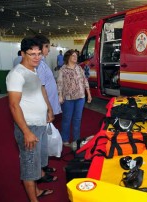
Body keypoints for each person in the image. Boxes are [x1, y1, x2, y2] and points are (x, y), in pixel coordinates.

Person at [6, 37, 54, 201]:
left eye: (39, 53)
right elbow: (13, 105)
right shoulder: (17, 74)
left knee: (36, 164)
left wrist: (49, 108)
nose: (36, 57)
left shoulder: (33, 71)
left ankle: (37, 190)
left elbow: (40, 90)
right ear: (22, 54)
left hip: (39, 125)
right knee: (29, 165)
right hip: (28, 127)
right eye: (32, 54)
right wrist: (26, 132)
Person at [34, 34, 60, 182]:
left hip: (45, 106)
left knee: (43, 141)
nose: (48, 50)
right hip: (42, 108)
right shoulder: (38, 65)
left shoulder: (42, 63)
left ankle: (43, 166)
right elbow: (41, 88)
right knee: (39, 142)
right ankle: (39, 172)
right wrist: (49, 109)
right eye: (46, 47)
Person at [57, 49, 92, 146]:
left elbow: (85, 81)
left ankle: (76, 139)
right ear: (68, 57)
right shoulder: (63, 70)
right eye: (73, 56)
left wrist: (88, 93)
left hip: (80, 97)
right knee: (66, 119)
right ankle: (65, 140)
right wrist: (60, 95)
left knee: (77, 119)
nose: (75, 57)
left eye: (76, 56)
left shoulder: (79, 68)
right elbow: (59, 83)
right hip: (68, 98)